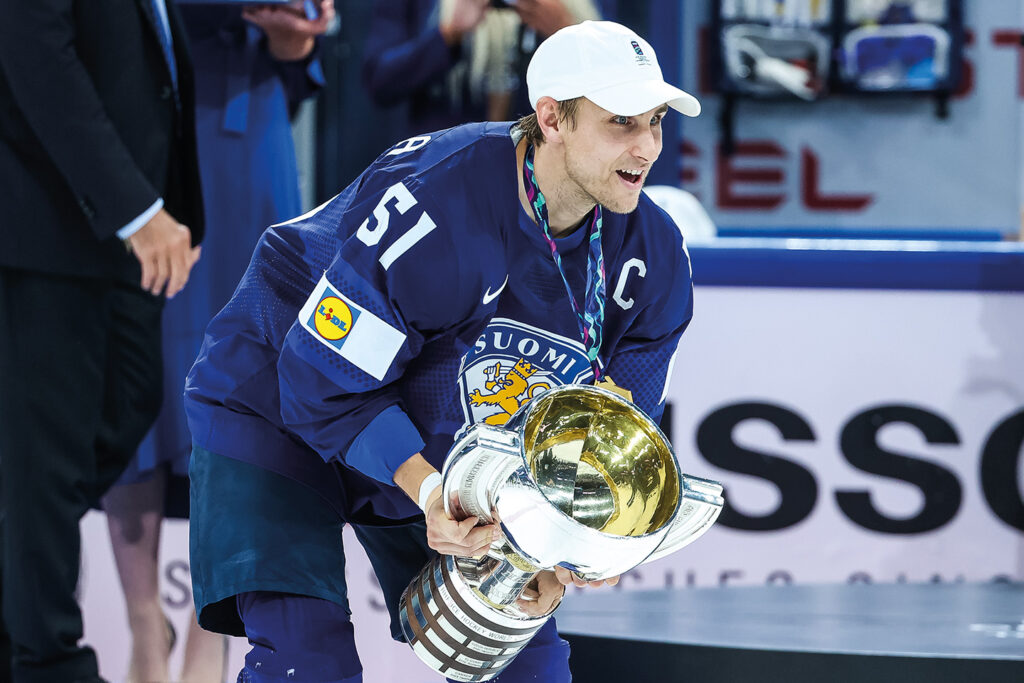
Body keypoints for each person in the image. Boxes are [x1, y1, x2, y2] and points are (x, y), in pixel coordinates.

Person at [185, 20, 699, 683]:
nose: (647, 147)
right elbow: (319, 378)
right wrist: (430, 491)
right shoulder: (442, 205)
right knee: (307, 665)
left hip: (445, 443)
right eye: (622, 122)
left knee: (527, 668)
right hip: (275, 394)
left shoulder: (655, 262)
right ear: (552, 118)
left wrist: (551, 555)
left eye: (655, 122)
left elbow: (597, 457)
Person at [99, 3, 334, 682]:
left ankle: (213, 631)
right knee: (135, 369)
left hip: (247, 118)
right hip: (140, 108)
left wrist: (296, 35)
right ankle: (145, 623)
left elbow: (304, 54)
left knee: (240, 377)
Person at [0, 1, 204, 681]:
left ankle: (20, 624)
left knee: (120, 410)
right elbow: (36, 55)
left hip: (118, 233)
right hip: (45, 227)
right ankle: (47, 658)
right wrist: (136, 207)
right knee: (44, 467)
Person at [363, 0, 599, 137]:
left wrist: (568, 28)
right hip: (449, 171)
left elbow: (621, 81)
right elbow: (380, 81)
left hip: (544, 171)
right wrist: (448, 34)